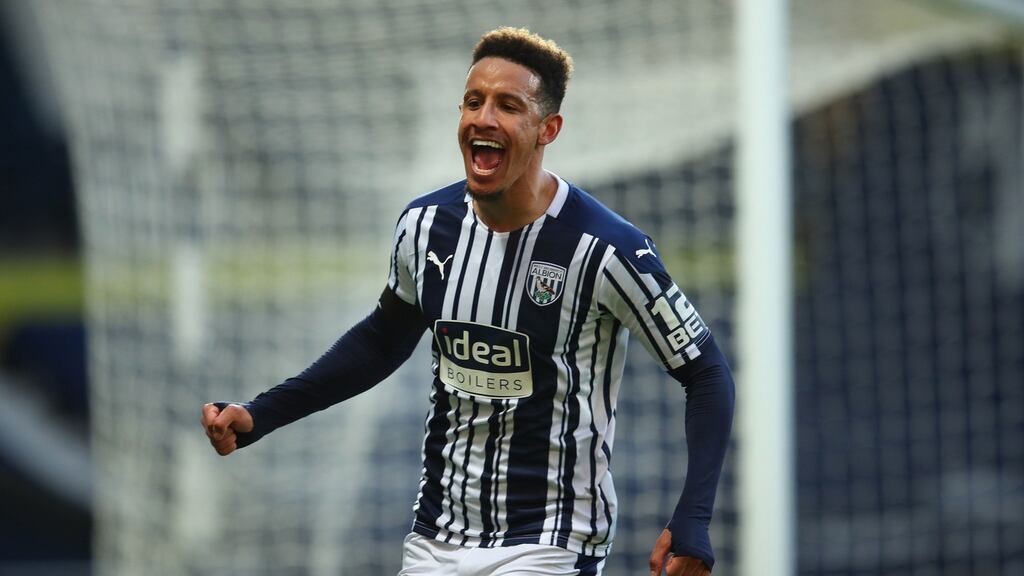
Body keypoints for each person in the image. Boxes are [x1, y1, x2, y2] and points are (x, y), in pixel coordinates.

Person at [202, 27, 734, 576]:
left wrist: (693, 519)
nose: (484, 118)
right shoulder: (425, 227)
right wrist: (262, 413)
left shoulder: (606, 249)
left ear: (548, 129)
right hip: (436, 539)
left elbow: (706, 372)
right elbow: (381, 341)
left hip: (550, 542)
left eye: (508, 106)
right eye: (473, 101)